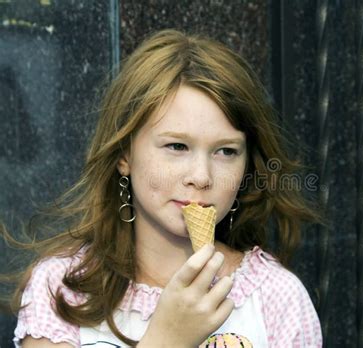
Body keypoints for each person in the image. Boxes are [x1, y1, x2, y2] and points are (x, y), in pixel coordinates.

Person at [7, 29, 324, 347]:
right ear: (124, 155)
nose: (201, 176)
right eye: (177, 146)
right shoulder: (62, 287)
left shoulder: (275, 297)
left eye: (226, 151)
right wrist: (167, 340)